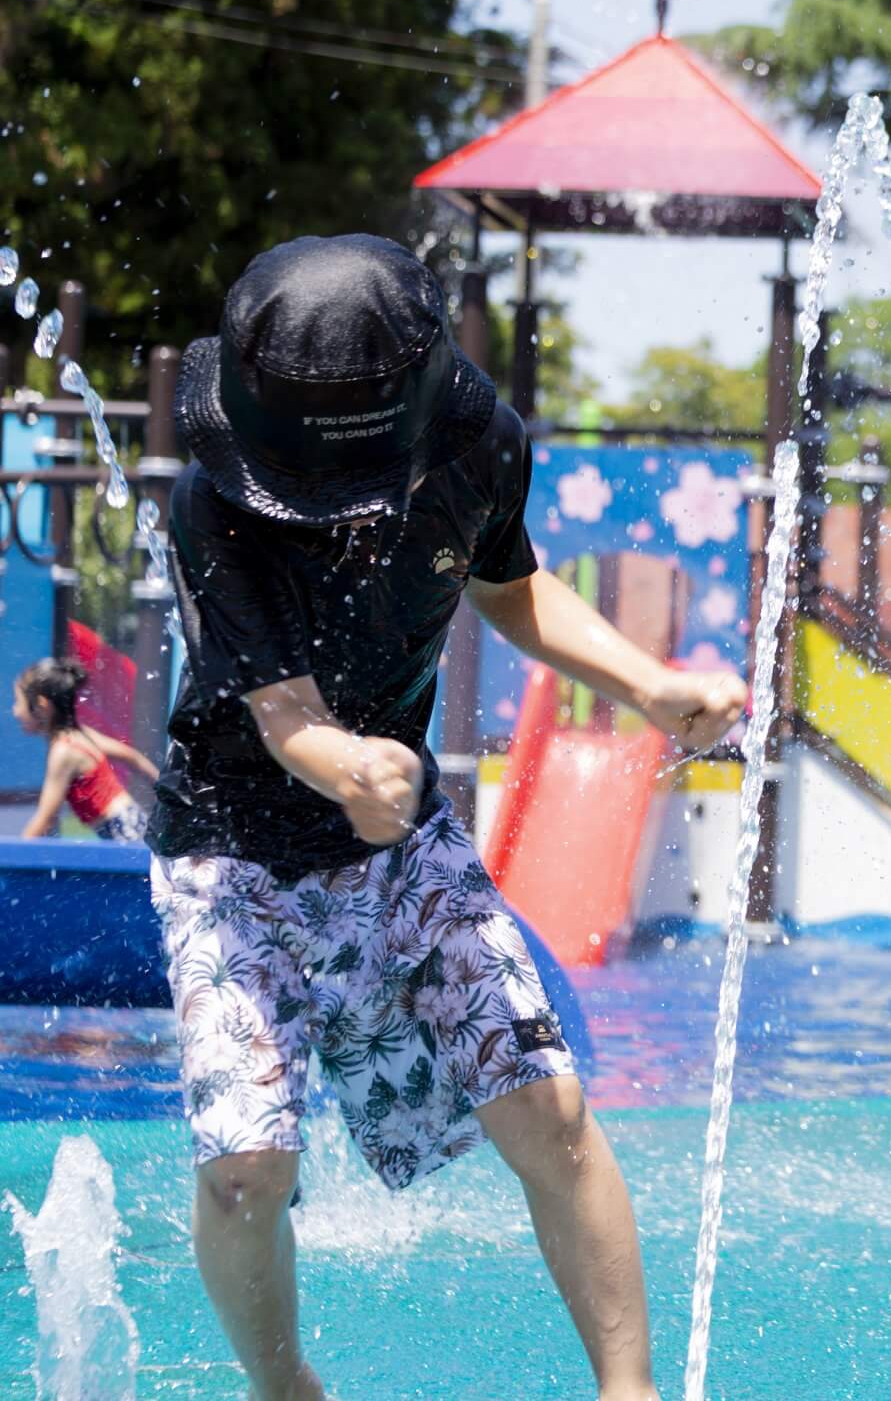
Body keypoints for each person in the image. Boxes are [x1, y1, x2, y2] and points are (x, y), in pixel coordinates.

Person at [150, 235, 746, 1401]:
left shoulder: (477, 440)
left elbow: (508, 583)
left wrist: (649, 684)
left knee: (550, 1108)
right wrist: (349, 768)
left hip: (404, 842)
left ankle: (634, 1394)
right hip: (231, 856)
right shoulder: (209, 501)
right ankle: (287, 1389)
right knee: (247, 1170)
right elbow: (284, 717)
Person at [15, 657, 158, 840]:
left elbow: (46, 819)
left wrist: (9, 857)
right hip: (132, 821)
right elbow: (132, 756)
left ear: (43, 706)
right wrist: (166, 791)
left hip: (122, 830)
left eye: (19, 703)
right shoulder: (79, 734)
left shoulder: (63, 752)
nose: (16, 712)